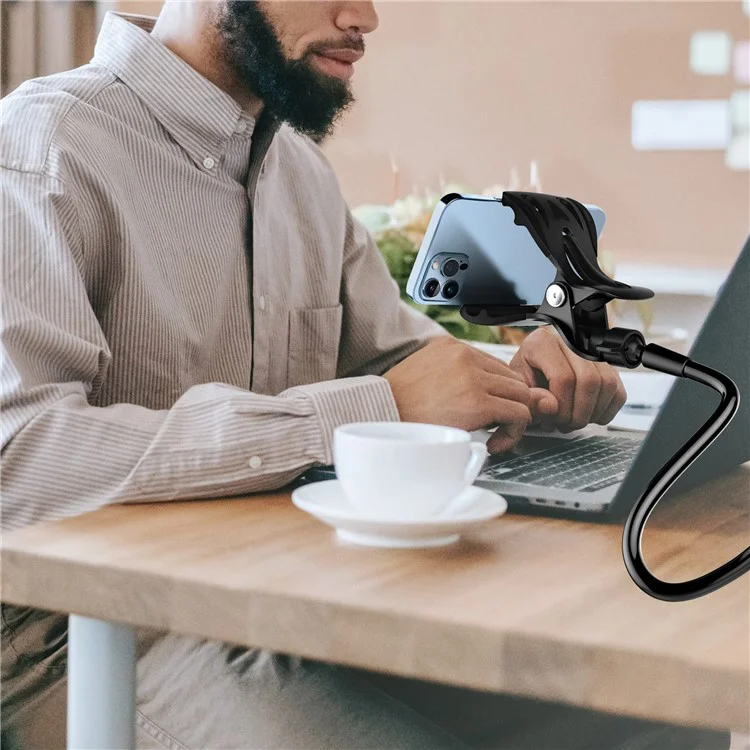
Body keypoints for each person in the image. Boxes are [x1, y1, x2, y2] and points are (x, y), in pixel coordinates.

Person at [0, 3, 728, 748]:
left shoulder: (299, 175)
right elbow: (18, 456)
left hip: (286, 595)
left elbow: (396, 362)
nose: (365, 16)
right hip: (85, 640)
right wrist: (359, 410)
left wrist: (519, 383)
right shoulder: (44, 145)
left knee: (658, 724)